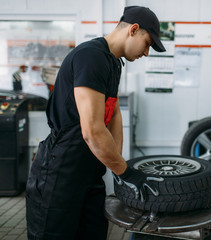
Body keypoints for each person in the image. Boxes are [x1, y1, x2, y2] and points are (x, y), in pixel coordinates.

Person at [26, 6, 166, 240]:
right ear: (133, 30)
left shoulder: (113, 63)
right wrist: (125, 172)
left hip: (89, 173)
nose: (147, 52)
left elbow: (113, 115)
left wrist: (118, 166)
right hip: (59, 173)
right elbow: (91, 130)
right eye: (148, 43)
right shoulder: (90, 57)